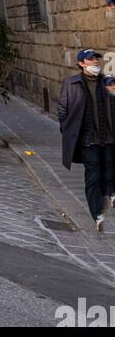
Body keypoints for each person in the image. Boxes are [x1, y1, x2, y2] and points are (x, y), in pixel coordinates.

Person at [57, 49, 115, 232]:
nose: (96, 62)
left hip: (108, 138)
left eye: (97, 59)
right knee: (93, 175)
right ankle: (97, 214)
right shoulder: (71, 83)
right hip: (87, 140)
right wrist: (66, 128)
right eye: (91, 60)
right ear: (82, 63)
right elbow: (62, 108)